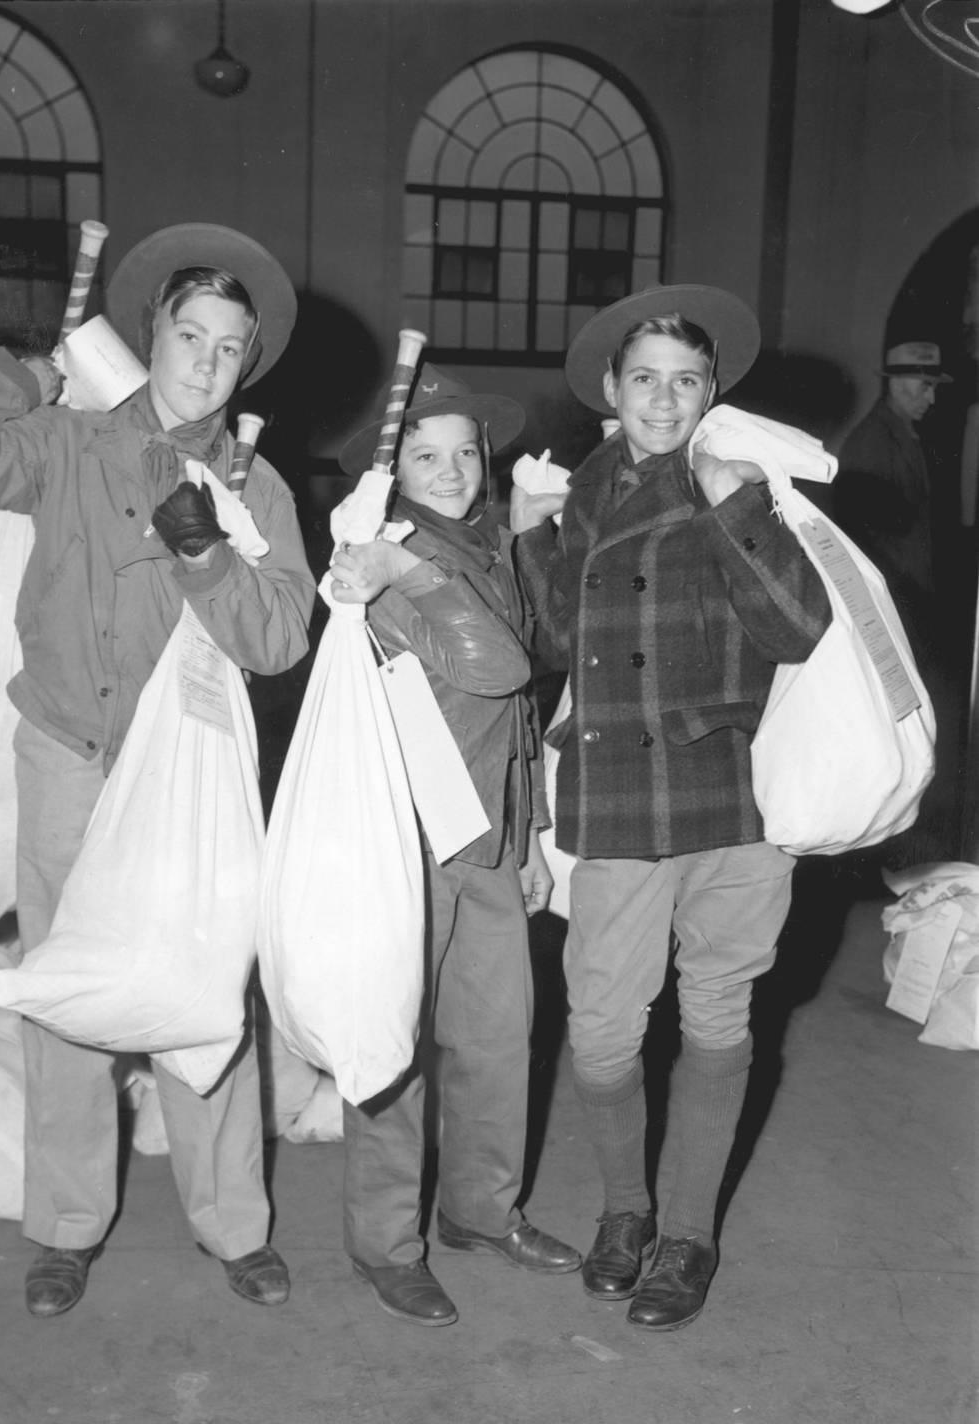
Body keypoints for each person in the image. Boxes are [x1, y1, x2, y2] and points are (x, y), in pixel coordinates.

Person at [0, 224, 316, 1319]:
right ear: (154, 335)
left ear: (247, 361)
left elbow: (279, 637)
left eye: (230, 348)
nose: (206, 362)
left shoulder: (254, 481)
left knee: (204, 982)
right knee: (64, 987)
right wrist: (25, 371)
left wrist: (206, 551)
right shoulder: (69, 441)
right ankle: (66, 1226)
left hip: (188, 776)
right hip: (68, 757)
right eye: (189, 335)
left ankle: (232, 1222)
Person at [511, 286, 831, 1331]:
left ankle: (685, 1231)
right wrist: (527, 538)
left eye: (686, 379)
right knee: (601, 1033)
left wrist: (741, 502)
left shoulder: (745, 475)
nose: (664, 396)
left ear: (711, 391)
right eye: (644, 376)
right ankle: (623, 1206)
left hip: (731, 798)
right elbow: (554, 640)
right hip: (614, 799)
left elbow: (796, 629)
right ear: (610, 387)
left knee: (717, 1015)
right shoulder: (585, 489)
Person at [327, 364, 582, 1327]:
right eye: (424, 455)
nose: (449, 469)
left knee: (497, 1037)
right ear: (393, 475)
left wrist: (529, 835)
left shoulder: (476, 545)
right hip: (409, 837)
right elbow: (498, 664)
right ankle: (386, 1244)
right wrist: (413, 569)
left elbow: (519, 707)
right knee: (393, 1042)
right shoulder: (382, 556)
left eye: (464, 451)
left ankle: (481, 1212)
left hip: (488, 832)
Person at [834, 340, 953, 657]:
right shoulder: (873, 440)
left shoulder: (902, 433)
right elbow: (864, 534)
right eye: (926, 386)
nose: (931, 397)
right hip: (893, 597)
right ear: (895, 383)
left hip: (909, 594)